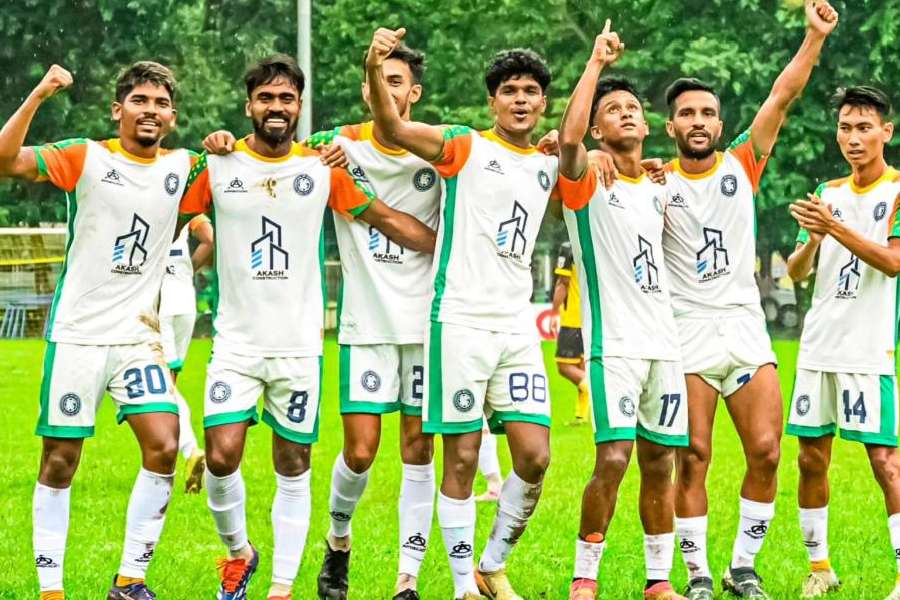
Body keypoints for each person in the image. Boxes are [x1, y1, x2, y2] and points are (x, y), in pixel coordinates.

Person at [180, 54, 436, 600]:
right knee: (222, 455)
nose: (277, 108)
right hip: (235, 343)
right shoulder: (219, 166)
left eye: (287, 98)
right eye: (266, 98)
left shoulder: (321, 169)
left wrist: (457, 247)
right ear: (249, 105)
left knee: (293, 462)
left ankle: (280, 588)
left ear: (299, 107)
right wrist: (209, 144)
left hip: (299, 348)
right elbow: (167, 209)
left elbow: (384, 219)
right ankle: (238, 553)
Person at [365, 26, 561, 600]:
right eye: (508, 91)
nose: (520, 99)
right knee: (464, 454)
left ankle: (491, 562)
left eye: (529, 91)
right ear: (492, 101)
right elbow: (393, 128)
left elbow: (585, 154)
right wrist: (376, 66)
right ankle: (461, 588)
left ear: (542, 102)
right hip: (458, 322)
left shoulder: (549, 161)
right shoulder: (464, 145)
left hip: (517, 327)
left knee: (535, 454)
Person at [663, 2, 839, 598]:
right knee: (694, 456)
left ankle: (742, 566)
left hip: (743, 326)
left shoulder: (743, 160)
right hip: (685, 330)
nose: (698, 120)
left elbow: (781, 96)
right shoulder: (655, 181)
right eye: (687, 113)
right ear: (671, 126)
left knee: (766, 451)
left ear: (719, 123)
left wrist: (814, 37)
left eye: (708, 112)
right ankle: (698, 576)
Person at [0, 62, 193, 600]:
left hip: (138, 339)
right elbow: (4, 160)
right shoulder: (86, 155)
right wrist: (39, 92)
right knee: (60, 460)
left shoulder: (185, 166)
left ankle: (130, 581)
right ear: (118, 110)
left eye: (159, 103)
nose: (149, 110)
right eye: (139, 101)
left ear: (172, 117)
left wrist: (225, 143)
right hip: (78, 337)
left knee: (164, 446)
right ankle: (51, 589)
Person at [557, 21, 688, 600]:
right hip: (614, 347)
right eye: (614, 109)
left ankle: (658, 581)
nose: (627, 114)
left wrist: (657, 168)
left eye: (633, 107)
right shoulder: (587, 179)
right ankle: (586, 575)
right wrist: (595, 67)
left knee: (660, 463)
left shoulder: (660, 185)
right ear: (597, 126)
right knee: (613, 457)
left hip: (666, 343)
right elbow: (564, 144)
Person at [786, 85, 900, 600]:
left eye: (863, 127)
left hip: (867, 350)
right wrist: (812, 240)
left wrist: (833, 227)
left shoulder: (897, 192)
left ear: (886, 132)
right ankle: (821, 567)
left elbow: (894, 262)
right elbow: (795, 273)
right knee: (811, 458)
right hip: (817, 348)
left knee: (886, 463)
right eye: (845, 128)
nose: (852, 138)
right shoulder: (826, 194)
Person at [159, 212, 214, 493]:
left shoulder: (150, 198)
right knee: (169, 384)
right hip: (184, 301)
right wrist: (188, 270)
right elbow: (209, 239)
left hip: (158, 303)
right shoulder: (189, 207)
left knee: (163, 388)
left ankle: (190, 450)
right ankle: (169, 453)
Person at [550, 241, 590, 424]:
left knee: (564, 367)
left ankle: (592, 388)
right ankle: (581, 416)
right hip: (590, 318)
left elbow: (563, 283)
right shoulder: (590, 243)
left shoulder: (569, 247)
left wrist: (553, 313)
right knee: (582, 366)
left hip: (573, 318)